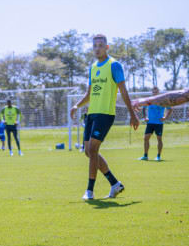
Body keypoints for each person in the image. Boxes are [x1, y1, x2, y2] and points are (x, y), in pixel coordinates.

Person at [70, 34, 139, 201]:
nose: (97, 48)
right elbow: (89, 93)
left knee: (93, 150)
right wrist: (76, 105)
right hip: (92, 114)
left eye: (100, 45)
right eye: (95, 46)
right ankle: (114, 183)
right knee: (88, 152)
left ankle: (89, 191)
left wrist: (133, 114)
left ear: (106, 47)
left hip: (106, 114)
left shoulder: (114, 65)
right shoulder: (93, 67)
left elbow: (123, 91)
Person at [139, 87, 172, 161]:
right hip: (150, 123)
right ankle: (145, 156)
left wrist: (165, 117)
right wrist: (145, 117)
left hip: (159, 123)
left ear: (158, 92)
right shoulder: (149, 100)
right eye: (153, 92)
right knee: (146, 138)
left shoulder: (163, 101)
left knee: (159, 139)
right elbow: (144, 109)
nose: (154, 93)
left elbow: (170, 109)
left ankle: (158, 156)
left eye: (156, 92)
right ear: (152, 92)